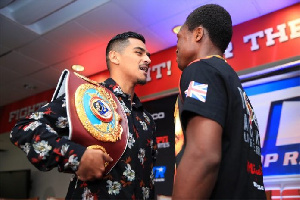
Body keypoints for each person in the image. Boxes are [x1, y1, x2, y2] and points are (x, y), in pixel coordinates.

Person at [10, 31, 157, 199]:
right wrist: (78, 156)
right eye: (139, 53)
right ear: (115, 57)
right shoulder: (87, 96)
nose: (148, 59)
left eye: (148, 55)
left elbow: (149, 179)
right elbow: (23, 129)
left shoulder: (147, 120)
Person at [172, 4, 266, 199]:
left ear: (198, 34)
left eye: (179, 38)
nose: (176, 48)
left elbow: (203, 156)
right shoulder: (231, 81)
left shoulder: (201, 69)